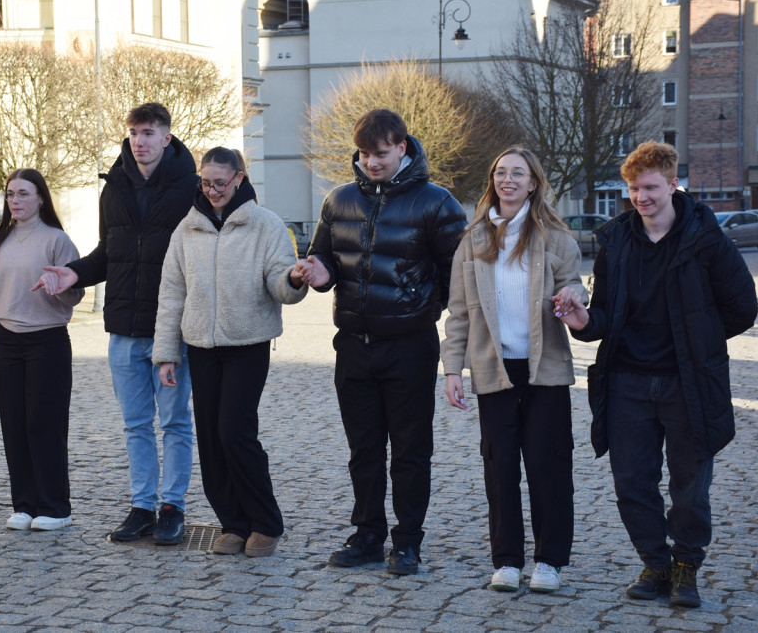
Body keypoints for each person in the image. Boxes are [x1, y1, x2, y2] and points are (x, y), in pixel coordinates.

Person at [561, 141, 757, 608]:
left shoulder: (707, 239)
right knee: (631, 482)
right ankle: (656, 563)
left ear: (673, 184)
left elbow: (743, 309)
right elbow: (605, 315)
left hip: (687, 383)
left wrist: (696, 343)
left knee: (690, 487)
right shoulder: (616, 240)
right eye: (632, 189)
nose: (640, 197)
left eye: (649, 187)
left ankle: (687, 567)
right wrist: (584, 322)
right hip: (626, 382)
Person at [296, 109, 467, 575]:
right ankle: (367, 534)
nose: (372, 162)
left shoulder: (438, 203)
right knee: (364, 449)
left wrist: (421, 302)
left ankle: (407, 540)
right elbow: (325, 262)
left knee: (411, 450)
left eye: (382, 153)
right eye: (366, 154)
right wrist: (314, 272)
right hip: (352, 343)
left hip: (410, 345)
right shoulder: (338, 200)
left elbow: (459, 277)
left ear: (403, 148)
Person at [35, 102, 197, 545]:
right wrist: (73, 273)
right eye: (133, 133)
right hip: (123, 329)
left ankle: (172, 507)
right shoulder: (114, 187)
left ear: (166, 137)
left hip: (171, 330)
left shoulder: (192, 188)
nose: (139, 141)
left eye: (148, 133)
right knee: (135, 425)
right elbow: (109, 253)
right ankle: (142, 506)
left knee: (175, 423)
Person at [441, 148, 587, 593]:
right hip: (493, 369)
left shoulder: (556, 236)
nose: (507, 180)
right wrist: (452, 370)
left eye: (517, 173)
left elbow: (574, 283)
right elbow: (459, 311)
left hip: (545, 370)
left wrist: (572, 297)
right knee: (499, 466)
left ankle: (549, 562)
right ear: (493, 180)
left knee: (549, 466)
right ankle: (506, 560)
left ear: (533, 183)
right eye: (500, 172)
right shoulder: (475, 238)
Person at [153, 147, 307, 557]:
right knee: (210, 439)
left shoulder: (266, 224)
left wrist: (292, 278)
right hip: (201, 346)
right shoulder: (187, 228)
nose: (212, 190)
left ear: (240, 178)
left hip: (248, 344)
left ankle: (266, 523)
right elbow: (171, 292)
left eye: (220, 183)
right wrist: (166, 353)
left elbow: (279, 283)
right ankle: (234, 524)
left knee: (234, 434)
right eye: (205, 182)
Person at [0, 169, 83, 531]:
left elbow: (75, 292)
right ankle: (23, 504)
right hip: (8, 343)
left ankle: (55, 507)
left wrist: (59, 286)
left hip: (47, 341)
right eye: (10, 194)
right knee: (14, 425)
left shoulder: (57, 240)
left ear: (41, 198)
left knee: (45, 425)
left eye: (23, 193)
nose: (15, 201)